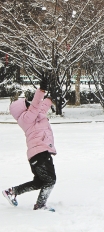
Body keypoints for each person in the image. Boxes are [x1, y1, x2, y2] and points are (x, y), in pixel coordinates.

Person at [2, 78, 57, 211]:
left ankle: (12, 192)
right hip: (40, 153)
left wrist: (50, 98)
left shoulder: (34, 117)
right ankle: (40, 205)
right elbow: (36, 105)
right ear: (22, 110)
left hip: (38, 153)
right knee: (50, 180)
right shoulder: (25, 119)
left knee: (39, 181)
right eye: (27, 104)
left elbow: (41, 108)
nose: (29, 105)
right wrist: (41, 90)